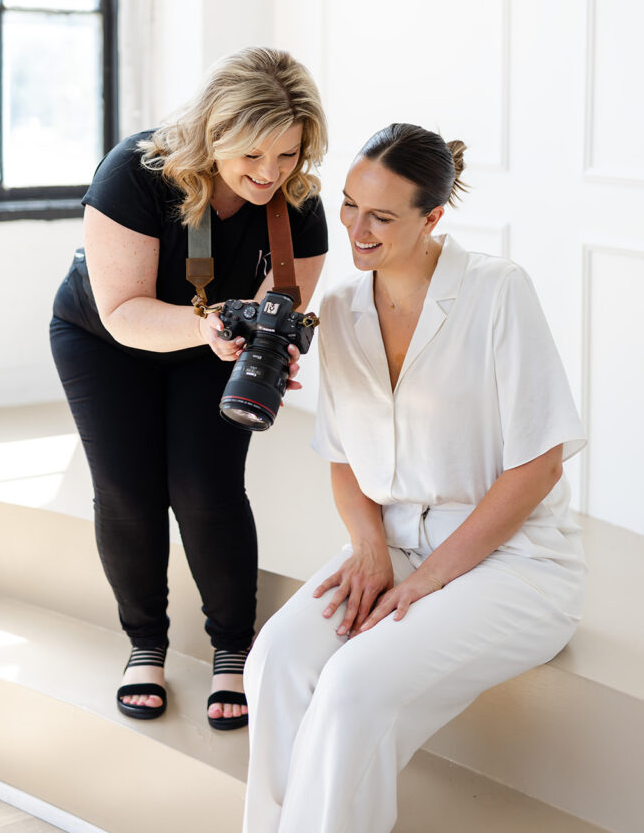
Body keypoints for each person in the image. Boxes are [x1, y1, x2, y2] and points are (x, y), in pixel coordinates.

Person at [242, 123, 587, 831]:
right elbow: (341, 454)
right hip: (393, 541)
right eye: (347, 205)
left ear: (433, 217)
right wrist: (369, 550)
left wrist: (428, 579)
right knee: (273, 661)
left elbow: (538, 463)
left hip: (515, 564)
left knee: (353, 687)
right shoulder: (339, 307)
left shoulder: (497, 292)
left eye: (381, 216)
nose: (355, 229)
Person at [49, 47, 328, 729]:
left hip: (212, 342)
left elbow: (274, 316)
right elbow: (123, 312)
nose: (270, 175)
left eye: (288, 156)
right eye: (252, 158)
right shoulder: (136, 172)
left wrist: (268, 348)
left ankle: (233, 648)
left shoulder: (298, 206)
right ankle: (146, 645)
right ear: (214, 133)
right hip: (106, 338)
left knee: (207, 488)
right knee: (127, 488)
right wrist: (210, 329)